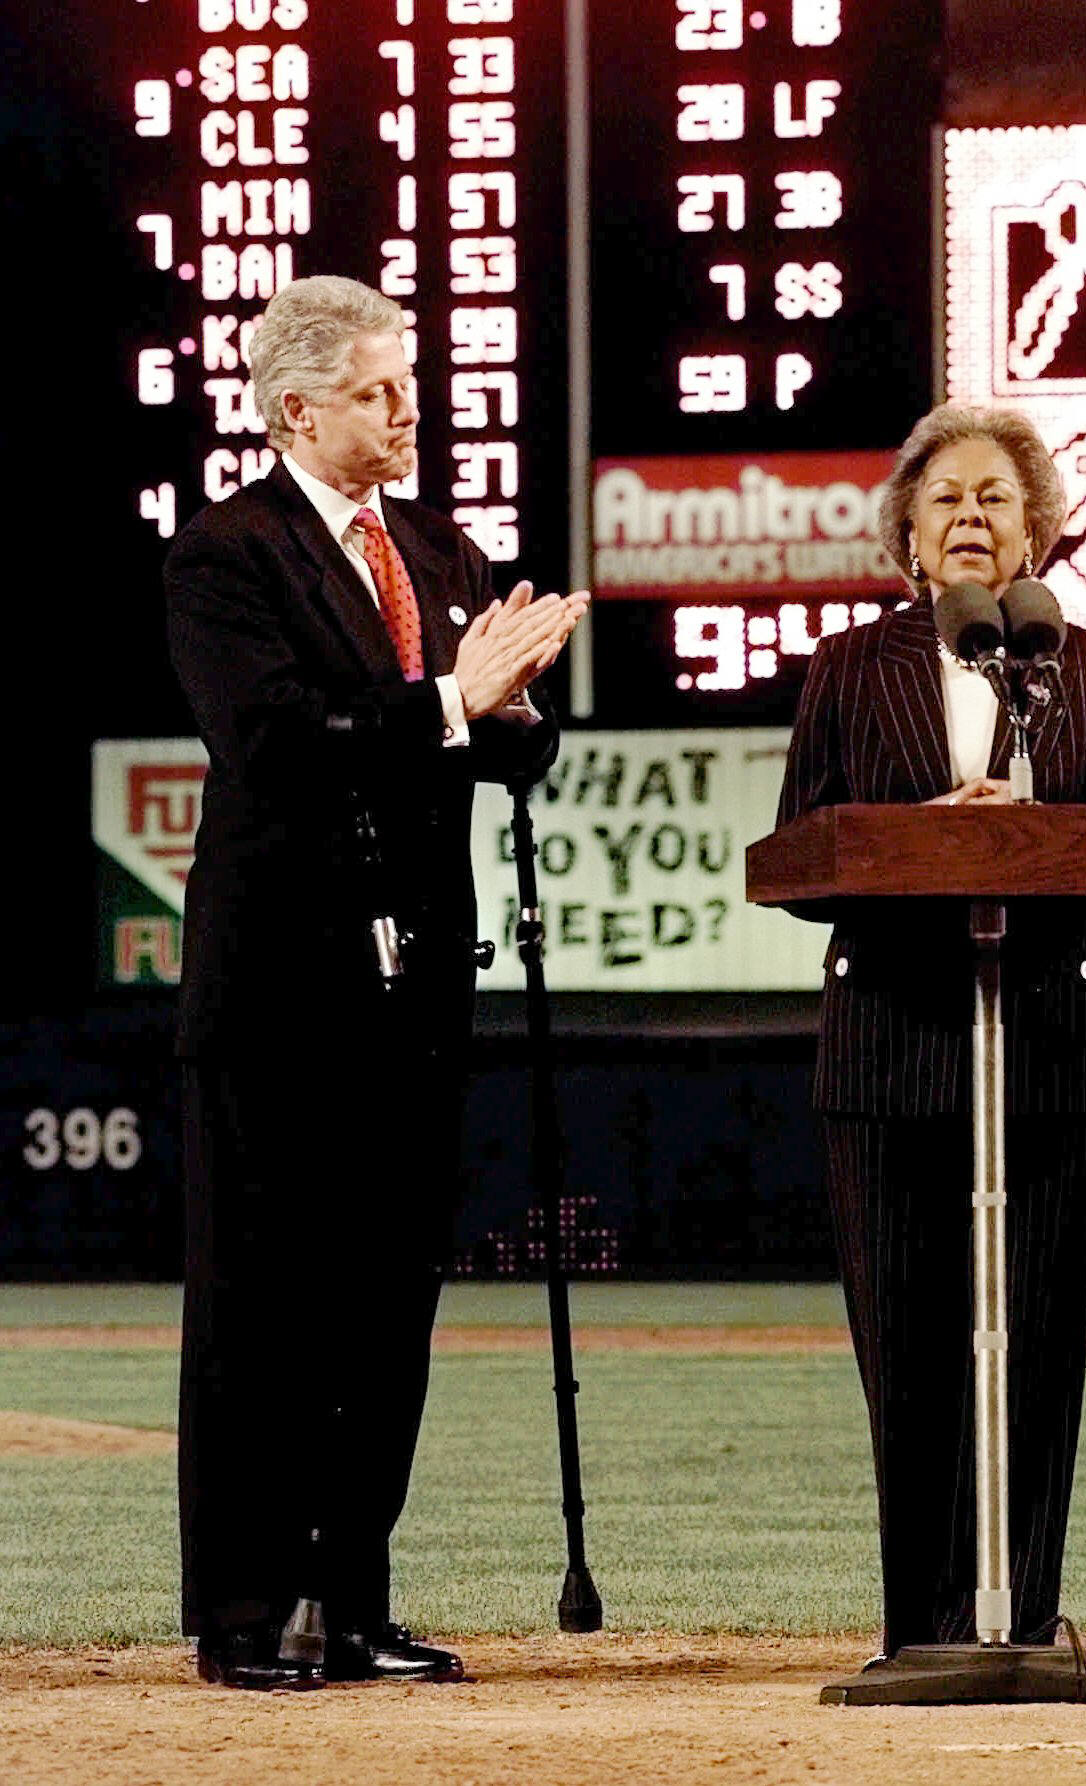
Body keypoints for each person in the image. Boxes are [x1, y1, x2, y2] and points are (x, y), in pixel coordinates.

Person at [166, 275, 588, 1690]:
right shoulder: (228, 554)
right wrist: (459, 702)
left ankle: (350, 1598)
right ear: (298, 408)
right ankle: (247, 1608)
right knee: (264, 1300)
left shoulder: (433, 546)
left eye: (406, 381)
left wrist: (514, 708)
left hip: (416, 984)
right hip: (281, 984)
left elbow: (499, 748)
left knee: (384, 1300)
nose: (410, 405)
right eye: (379, 388)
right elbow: (275, 739)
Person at [776, 402, 1086, 1655]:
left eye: (995, 497)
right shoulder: (845, 666)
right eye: (945, 499)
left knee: (1038, 1343)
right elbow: (799, 851)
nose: (971, 518)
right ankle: (921, 1621)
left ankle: (1023, 1611)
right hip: (891, 1042)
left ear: (1033, 528)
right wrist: (931, 830)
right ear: (908, 537)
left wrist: (1026, 835)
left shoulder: (1083, 664)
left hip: (1045, 1040)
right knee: (911, 1340)